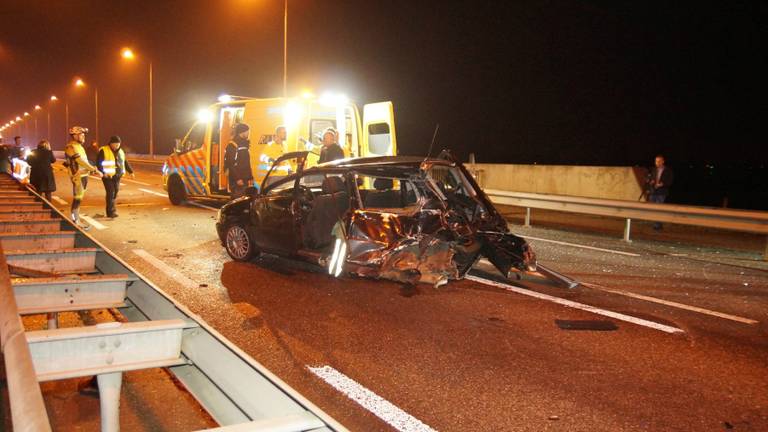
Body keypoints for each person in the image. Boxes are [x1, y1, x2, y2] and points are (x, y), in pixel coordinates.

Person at [64, 126, 102, 227]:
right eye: (81, 134)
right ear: (75, 135)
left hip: (84, 175)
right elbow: (80, 161)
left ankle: (76, 219)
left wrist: (92, 168)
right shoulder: (71, 147)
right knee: (77, 199)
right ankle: (75, 220)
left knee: (79, 199)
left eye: (84, 134)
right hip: (78, 177)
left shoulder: (79, 147)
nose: (83, 136)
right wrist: (93, 169)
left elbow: (84, 162)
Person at [97, 135, 134, 218]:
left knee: (115, 192)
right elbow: (98, 162)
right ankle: (110, 212)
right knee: (111, 192)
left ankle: (112, 209)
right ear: (111, 143)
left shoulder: (121, 151)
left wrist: (131, 172)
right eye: (115, 144)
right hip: (107, 176)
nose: (117, 146)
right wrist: (103, 172)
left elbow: (125, 162)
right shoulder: (104, 150)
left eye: (118, 144)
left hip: (117, 176)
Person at [224, 123, 253, 198]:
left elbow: (247, 163)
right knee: (237, 201)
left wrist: (250, 177)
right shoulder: (232, 145)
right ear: (242, 132)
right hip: (237, 179)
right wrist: (237, 178)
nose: (248, 133)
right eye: (247, 132)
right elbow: (231, 164)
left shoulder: (245, 144)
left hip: (245, 178)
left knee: (244, 201)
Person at [647, 154, 674, 230]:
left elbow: (670, 181)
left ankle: (657, 225)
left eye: (659, 161)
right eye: (656, 161)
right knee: (652, 208)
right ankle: (658, 223)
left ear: (663, 161)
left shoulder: (668, 170)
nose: (657, 163)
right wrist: (651, 182)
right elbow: (650, 179)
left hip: (662, 192)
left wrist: (662, 184)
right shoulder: (653, 170)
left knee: (658, 208)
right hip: (653, 191)